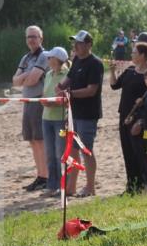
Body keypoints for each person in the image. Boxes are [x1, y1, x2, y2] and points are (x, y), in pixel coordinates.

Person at [57, 30, 104, 197]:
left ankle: (91, 187)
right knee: (73, 150)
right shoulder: (76, 60)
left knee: (86, 150)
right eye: (75, 43)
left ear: (89, 45)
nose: (76, 46)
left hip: (88, 113)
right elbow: (68, 78)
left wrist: (70, 93)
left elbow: (92, 90)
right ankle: (71, 187)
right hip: (73, 112)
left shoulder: (96, 63)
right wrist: (60, 87)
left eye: (79, 43)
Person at [110, 41, 147, 193]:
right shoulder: (130, 70)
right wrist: (112, 72)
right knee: (127, 151)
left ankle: (145, 184)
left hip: (139, 118)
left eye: (134, 52)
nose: (131, 55)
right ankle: (132, 185)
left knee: (140, 152)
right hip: (124, 116)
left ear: (142, 55)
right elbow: (114, 85)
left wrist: (141, 121)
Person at [12, 26, 48, 191]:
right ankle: (40, 175)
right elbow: (15, 81)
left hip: (38, 100)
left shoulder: (44, 55)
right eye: (28, 37)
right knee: (33, 141)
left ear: (41, 38)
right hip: (28, 101)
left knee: (40, 140)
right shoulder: (25, 58)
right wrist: (26, 76)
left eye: (34, 36)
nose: (31, 40)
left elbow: (33, 80)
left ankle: (45, 176)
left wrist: (24, 77)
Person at [41, 47, 70, 198]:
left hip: (60, 118)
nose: (47, 60)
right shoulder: (48, 74)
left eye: (49, 57)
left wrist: (55, 103)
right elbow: (45, 93)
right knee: (49, 153)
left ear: (56, 60)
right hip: (46, 118)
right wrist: (44, 100)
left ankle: (63, 185)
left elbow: (68, 98)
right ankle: (52, 185)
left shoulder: (67, 75)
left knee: (60, 152)